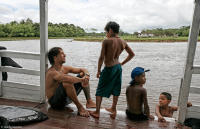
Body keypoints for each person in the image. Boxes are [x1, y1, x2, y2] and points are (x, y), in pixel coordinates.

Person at [90, 21, 135, 118]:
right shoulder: (123, 41)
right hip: (118, 67)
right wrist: (121, 63)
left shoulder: (107, 41)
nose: (106, 33)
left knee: (100, 89)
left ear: (110, 30)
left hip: (109, 68)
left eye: (107, 31)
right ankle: (113, 109)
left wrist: (98, 71)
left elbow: (101, 57)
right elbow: (132, 54)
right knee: (116, 87)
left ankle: (97, 112)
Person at [45, 47, 96, 117]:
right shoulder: (52, 72)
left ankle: (89, 101)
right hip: (55, 103)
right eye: (62, 54)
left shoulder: (64, 68)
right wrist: (82, 80)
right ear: (55, 57)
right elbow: (67, 78)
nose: (65, 55)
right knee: (67, 82)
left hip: (66, 100)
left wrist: (86, 75)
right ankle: (80, 107)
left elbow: (82, 69)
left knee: (82, 74)